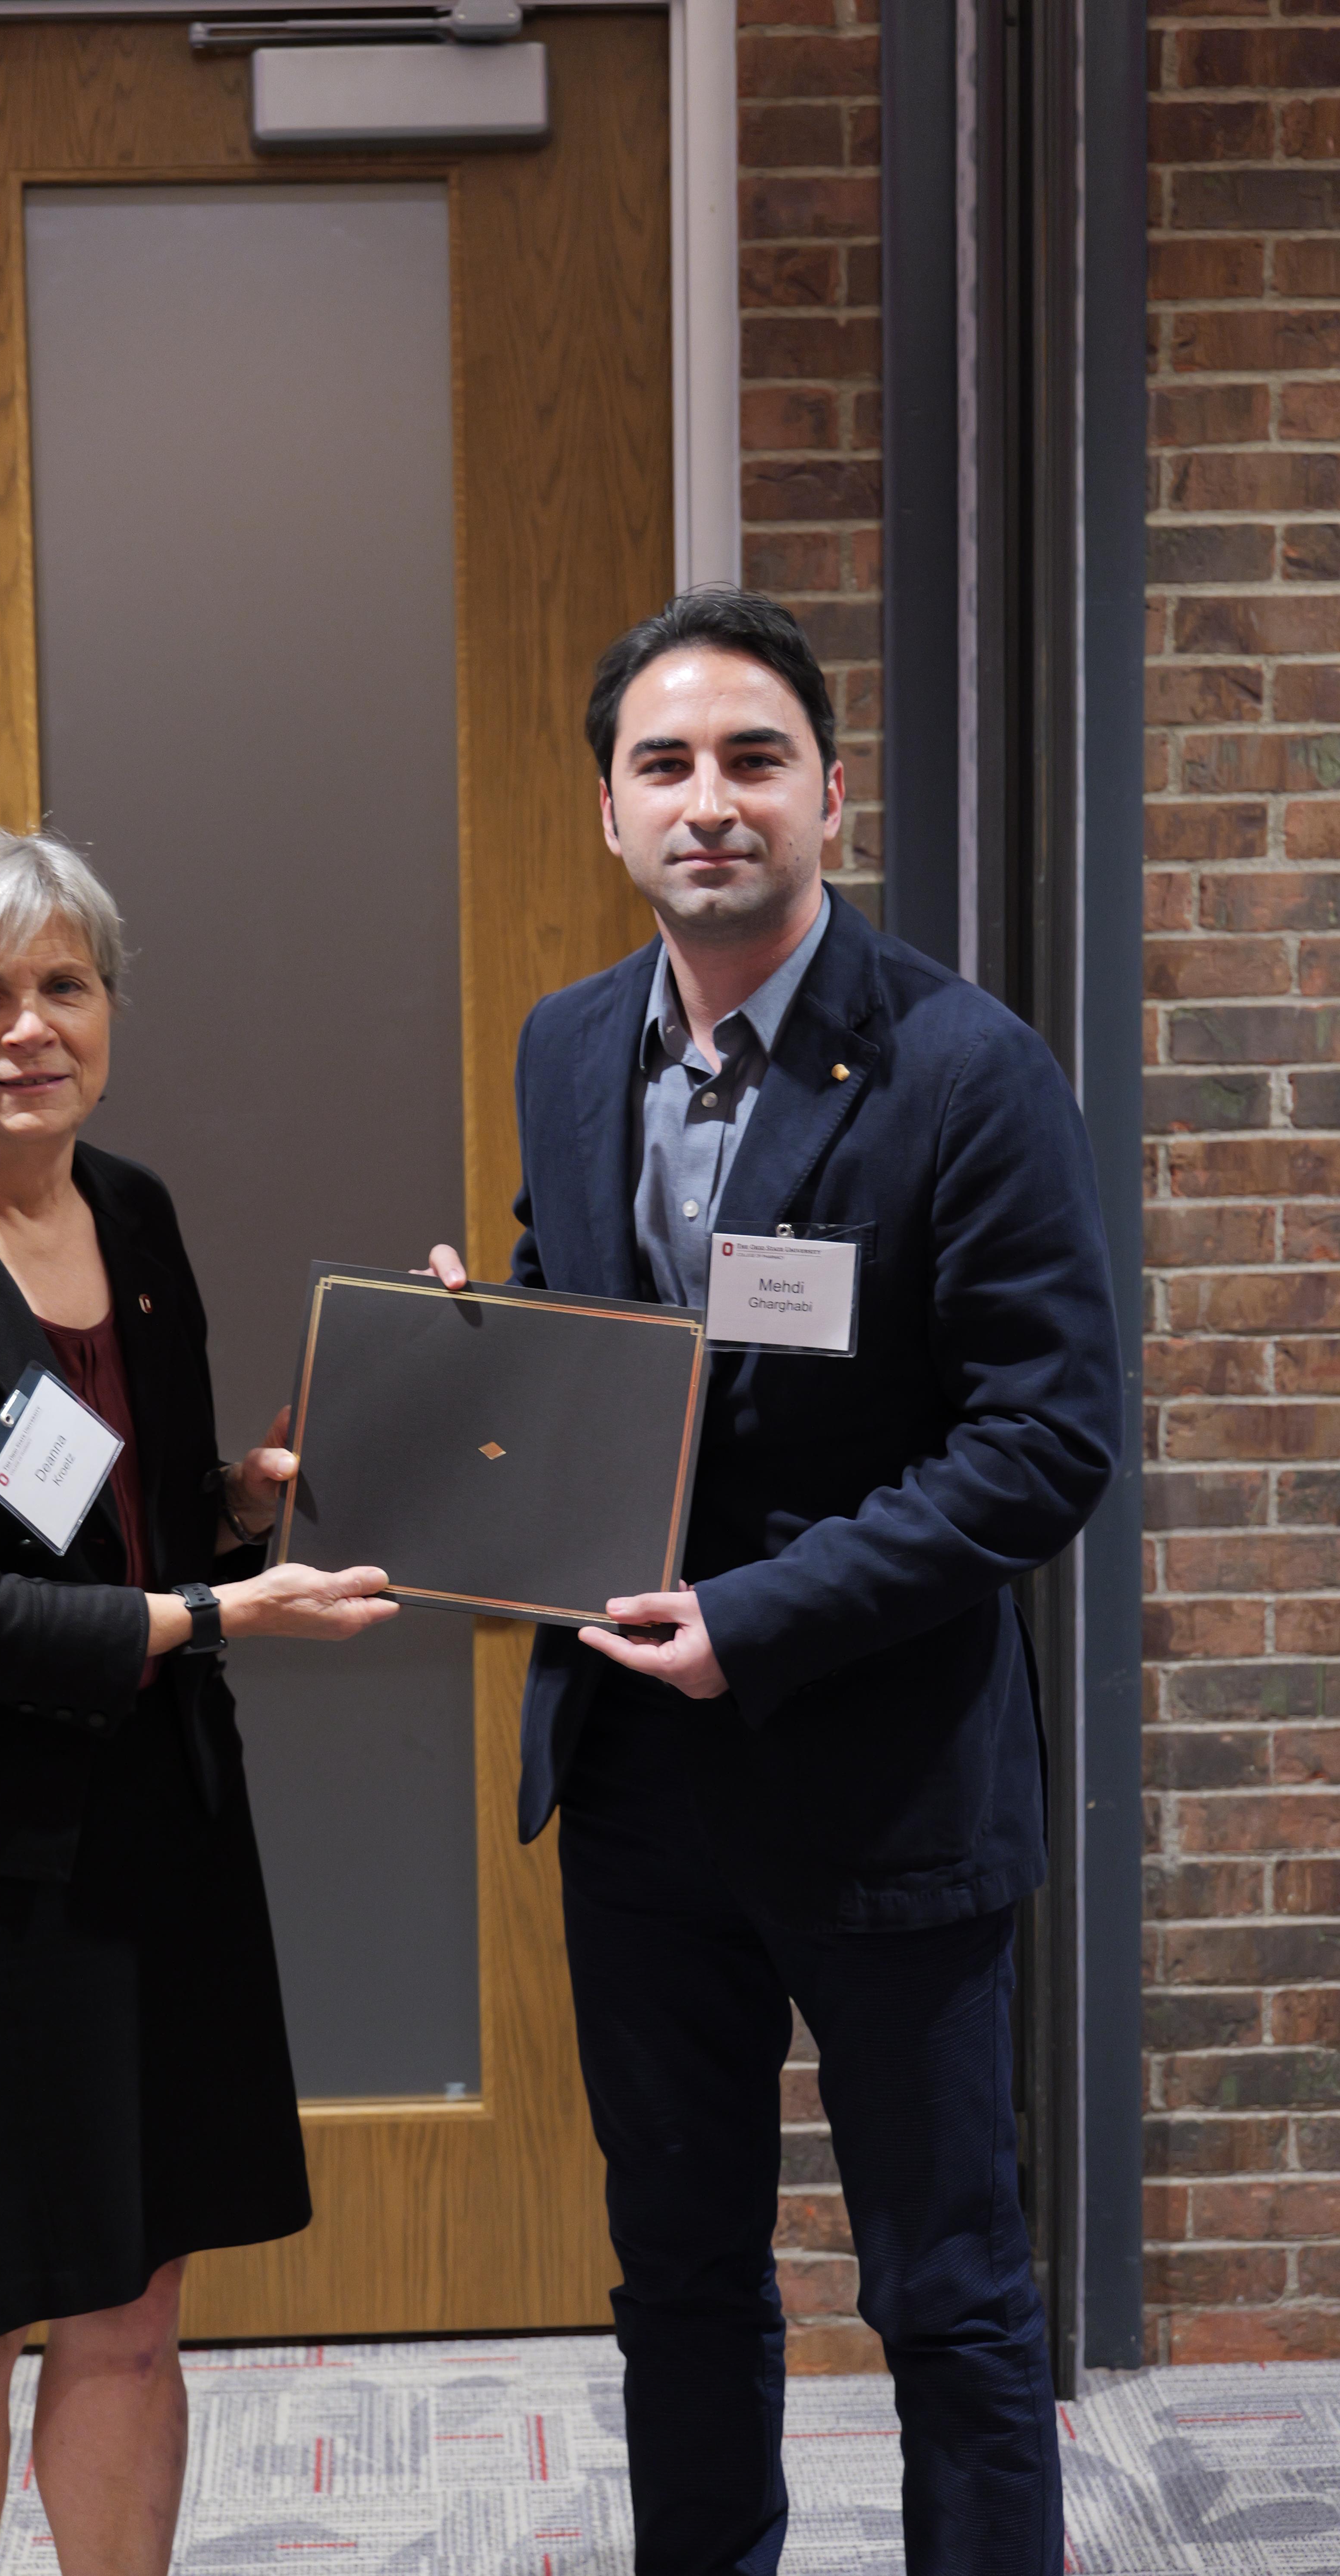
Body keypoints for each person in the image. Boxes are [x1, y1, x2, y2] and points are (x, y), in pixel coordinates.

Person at [426, 586, 1122, 2576]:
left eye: (751, 761)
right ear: (607, 809)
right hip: (640, 1792)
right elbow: (605, 1340)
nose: (707, 801)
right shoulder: (570, 1044)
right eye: (664, 765)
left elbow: (1040, 1441)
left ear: (832, 790)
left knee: (949, 2297)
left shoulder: (965, 1068)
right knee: (682, 2283)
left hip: (885, 1784)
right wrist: (478, 1368)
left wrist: (760, 1616)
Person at [0, 828, 396, 2576]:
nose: (28, 1028)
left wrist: (236, 1512)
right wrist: (207, 1603)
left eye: (63, 987)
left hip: (137, 1831)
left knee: (127, 2300)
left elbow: (129, 1510)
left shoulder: (137, 1216)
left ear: (106, 1008)